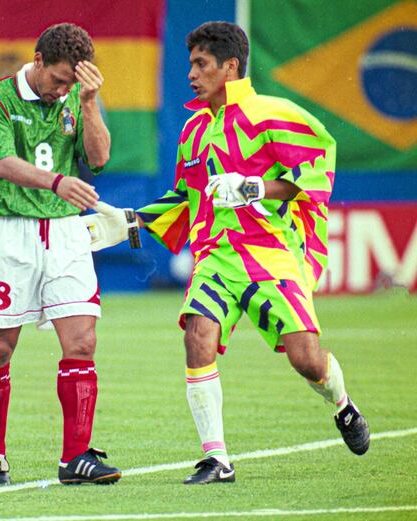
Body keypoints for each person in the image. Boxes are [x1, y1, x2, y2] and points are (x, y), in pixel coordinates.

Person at [130, 21, 370, 484]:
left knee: (306, 358)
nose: (192, 75)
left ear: (230, 66)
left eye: (201, 65)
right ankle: (217, 459)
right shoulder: (194, 130)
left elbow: (319, 163)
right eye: (191, 64)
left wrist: (255, 186)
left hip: (271, 252)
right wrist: (131, 221)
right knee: (197, 335)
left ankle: (342, 404)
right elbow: (185, 195)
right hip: (216, 256)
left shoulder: (273, 114)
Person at [0, 23, 121, 486]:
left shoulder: (78, 96)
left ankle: (76, 459)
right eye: (57, 80)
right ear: (36, 60)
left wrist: (89, 102)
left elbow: (100, 157)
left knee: (82, 343)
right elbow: (0, 164)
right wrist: (56, 181)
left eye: (72, 83)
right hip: (11, 232)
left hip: (66, 234)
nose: (62, 90)